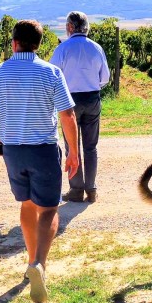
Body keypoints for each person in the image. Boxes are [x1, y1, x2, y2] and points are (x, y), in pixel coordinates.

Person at [0, 19, 79, 303]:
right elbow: (67, 116)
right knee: (49, 209)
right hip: (43, 149)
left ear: (14, 42)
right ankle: (39, 263)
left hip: (13, 151)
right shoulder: (51, 72)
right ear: (38, 44)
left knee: (27, 205)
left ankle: (31, 260)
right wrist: (74, 152)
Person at [50, 11, 110, 203]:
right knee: (91, 146)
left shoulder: (62, 49)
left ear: (69, 27)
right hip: (93, 98)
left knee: (71, 146)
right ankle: (91, 189)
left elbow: (53, 76)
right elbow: (105, 78)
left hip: (69, 100)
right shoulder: (96, 48)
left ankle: (76, 189)